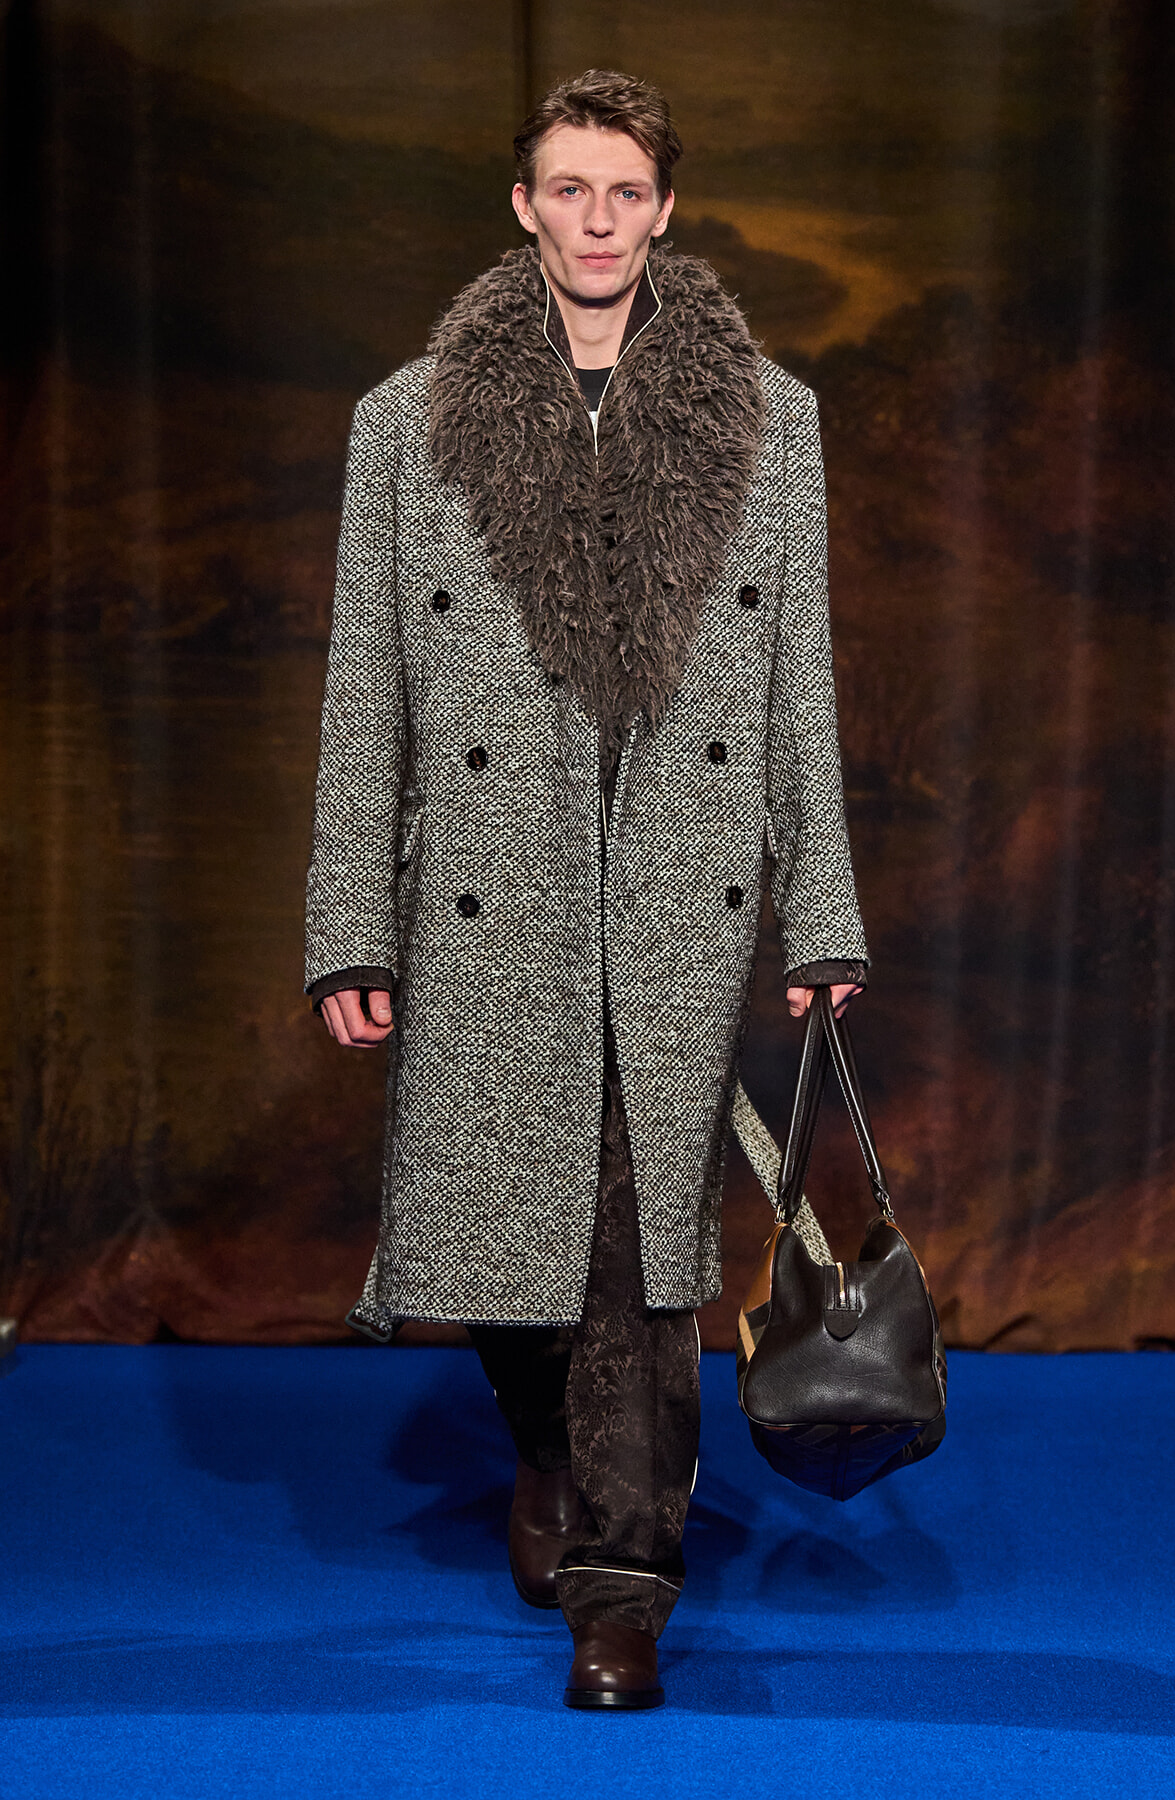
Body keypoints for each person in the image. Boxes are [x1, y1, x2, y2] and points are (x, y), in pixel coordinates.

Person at [304, 69, 868, 1711]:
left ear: (667, 207)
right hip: (490, 881)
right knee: (496, 1229)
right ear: (524, 205)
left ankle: (625, 1585)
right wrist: (348, 919)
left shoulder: (773, 419)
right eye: (570, 189)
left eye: (627, 191)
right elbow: (367, 696)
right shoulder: (408, 423)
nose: (599, 219)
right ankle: (547, 1452)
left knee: (638, 1238)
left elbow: (797, 689)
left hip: (679, 889)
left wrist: (820, 909)